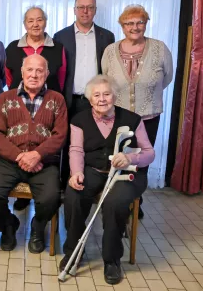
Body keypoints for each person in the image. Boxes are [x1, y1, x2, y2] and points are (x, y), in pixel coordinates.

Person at [60, 75, 155, 285]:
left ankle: (112, 259)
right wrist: (76, 172)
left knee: (114, 202)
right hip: (92, 170)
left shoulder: (132, 119)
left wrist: (130, 157)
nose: (102, 99)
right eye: (97, 95)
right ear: (89, 99)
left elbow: (149, 153)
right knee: (74, 195)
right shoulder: (79, 120)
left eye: (107, 94)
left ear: (115, 96)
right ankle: (73, 250)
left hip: (127, 173)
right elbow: (75, 150)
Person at [0, 54, 67, 254]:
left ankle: (37, 228)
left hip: (44, 162)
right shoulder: (5, 98)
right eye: (30, 69)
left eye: (39, 71)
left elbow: (60, 135)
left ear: (47, 74)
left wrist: (37, 154)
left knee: (51, 197)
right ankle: (8, 226)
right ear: (21, 72)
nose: (34, 75)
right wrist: (21, 156)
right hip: (9, 161)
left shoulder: (57, 99)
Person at [101, 4, 173, 218]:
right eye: (129, 23)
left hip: (148, 116)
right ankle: (115, 199)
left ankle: (136, 201)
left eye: (139, 22)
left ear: (146, 24)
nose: (135, 27)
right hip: (118, 117)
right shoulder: (110, 51)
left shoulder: (160, 48)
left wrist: (146, 94)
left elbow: (167, 78)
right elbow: (105, 79)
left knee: (142, 160)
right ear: (122, 26)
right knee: (118, 157)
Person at [5, 6, 66, 210]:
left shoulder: (57, 47)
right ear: (24, 24)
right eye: (30, 20)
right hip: (18, 106)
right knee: (21, 142)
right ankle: (23, 197)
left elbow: (63, 76)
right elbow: (9, 77)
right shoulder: (13, 47)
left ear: (45, 22)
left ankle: (44, 195)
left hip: (47, 104)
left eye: (39, 20)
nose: (35, 24)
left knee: (43, 144)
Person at [53, 0, 115, 189]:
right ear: (74, 10)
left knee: (91, 142)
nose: (85, 11)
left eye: (90, 7)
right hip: (69, 99)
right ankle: (64, 184)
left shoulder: (107, 36)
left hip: (96, 101)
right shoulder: (60, 36)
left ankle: (88, 182)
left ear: (95, 10)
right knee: (66, 141)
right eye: (81, 7)